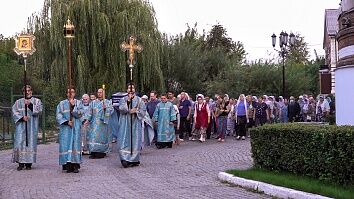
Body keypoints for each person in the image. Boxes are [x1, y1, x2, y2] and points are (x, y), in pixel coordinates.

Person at [12, 85, 42, 171]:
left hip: (32, 126)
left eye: (29, 90)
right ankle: (20, 163)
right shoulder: (18, 102)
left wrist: (30, 105)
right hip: (21, 126)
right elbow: (14, 111)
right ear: (23, 92)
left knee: (30, 143)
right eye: (25, 91)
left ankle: (29, 163)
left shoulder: (37, 101)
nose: (27, 92)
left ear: (31, 91)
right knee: (19, 142)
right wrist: (21, 118)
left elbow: (39, 111)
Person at [118, 83, 146, 168]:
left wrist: (136, 111)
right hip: (125, 123)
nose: (131, 90)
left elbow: (143, 111)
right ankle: (124, 158)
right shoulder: (123, 99)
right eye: (129, 88)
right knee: (124, 139)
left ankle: (134, 159)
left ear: (134, 89)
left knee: (135, 140)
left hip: (135, 123)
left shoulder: (140, 100)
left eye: (132, 88)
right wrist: (128, 103)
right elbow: (121, 109)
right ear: (127, 90)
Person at [56, 87, 83, 173]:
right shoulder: (61, 104)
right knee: (66, 145)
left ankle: (75, 165)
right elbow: (58, 115)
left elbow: (80, 113)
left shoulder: (79, 103)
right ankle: (67, 165)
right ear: (66, 94)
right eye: (68, 92)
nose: (70, 94)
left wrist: (73, 106)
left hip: (75, 127)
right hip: (66, 128)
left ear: (74, 93)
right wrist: (67, 122)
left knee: (75, 145)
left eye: (72, 92)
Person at [87, 88, 113, 159]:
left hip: (103, 124)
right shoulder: (93, 102)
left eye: (101, 92)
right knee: (93, 137)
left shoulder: (108, 102)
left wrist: (106, 109)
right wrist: (87, 120)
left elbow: (111, 111)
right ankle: (93, 152)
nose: (99, 94)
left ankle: (101, 152)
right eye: (98, 92)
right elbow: (90, 112)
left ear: (104, 93)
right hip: (94, 123)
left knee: (102, 138)